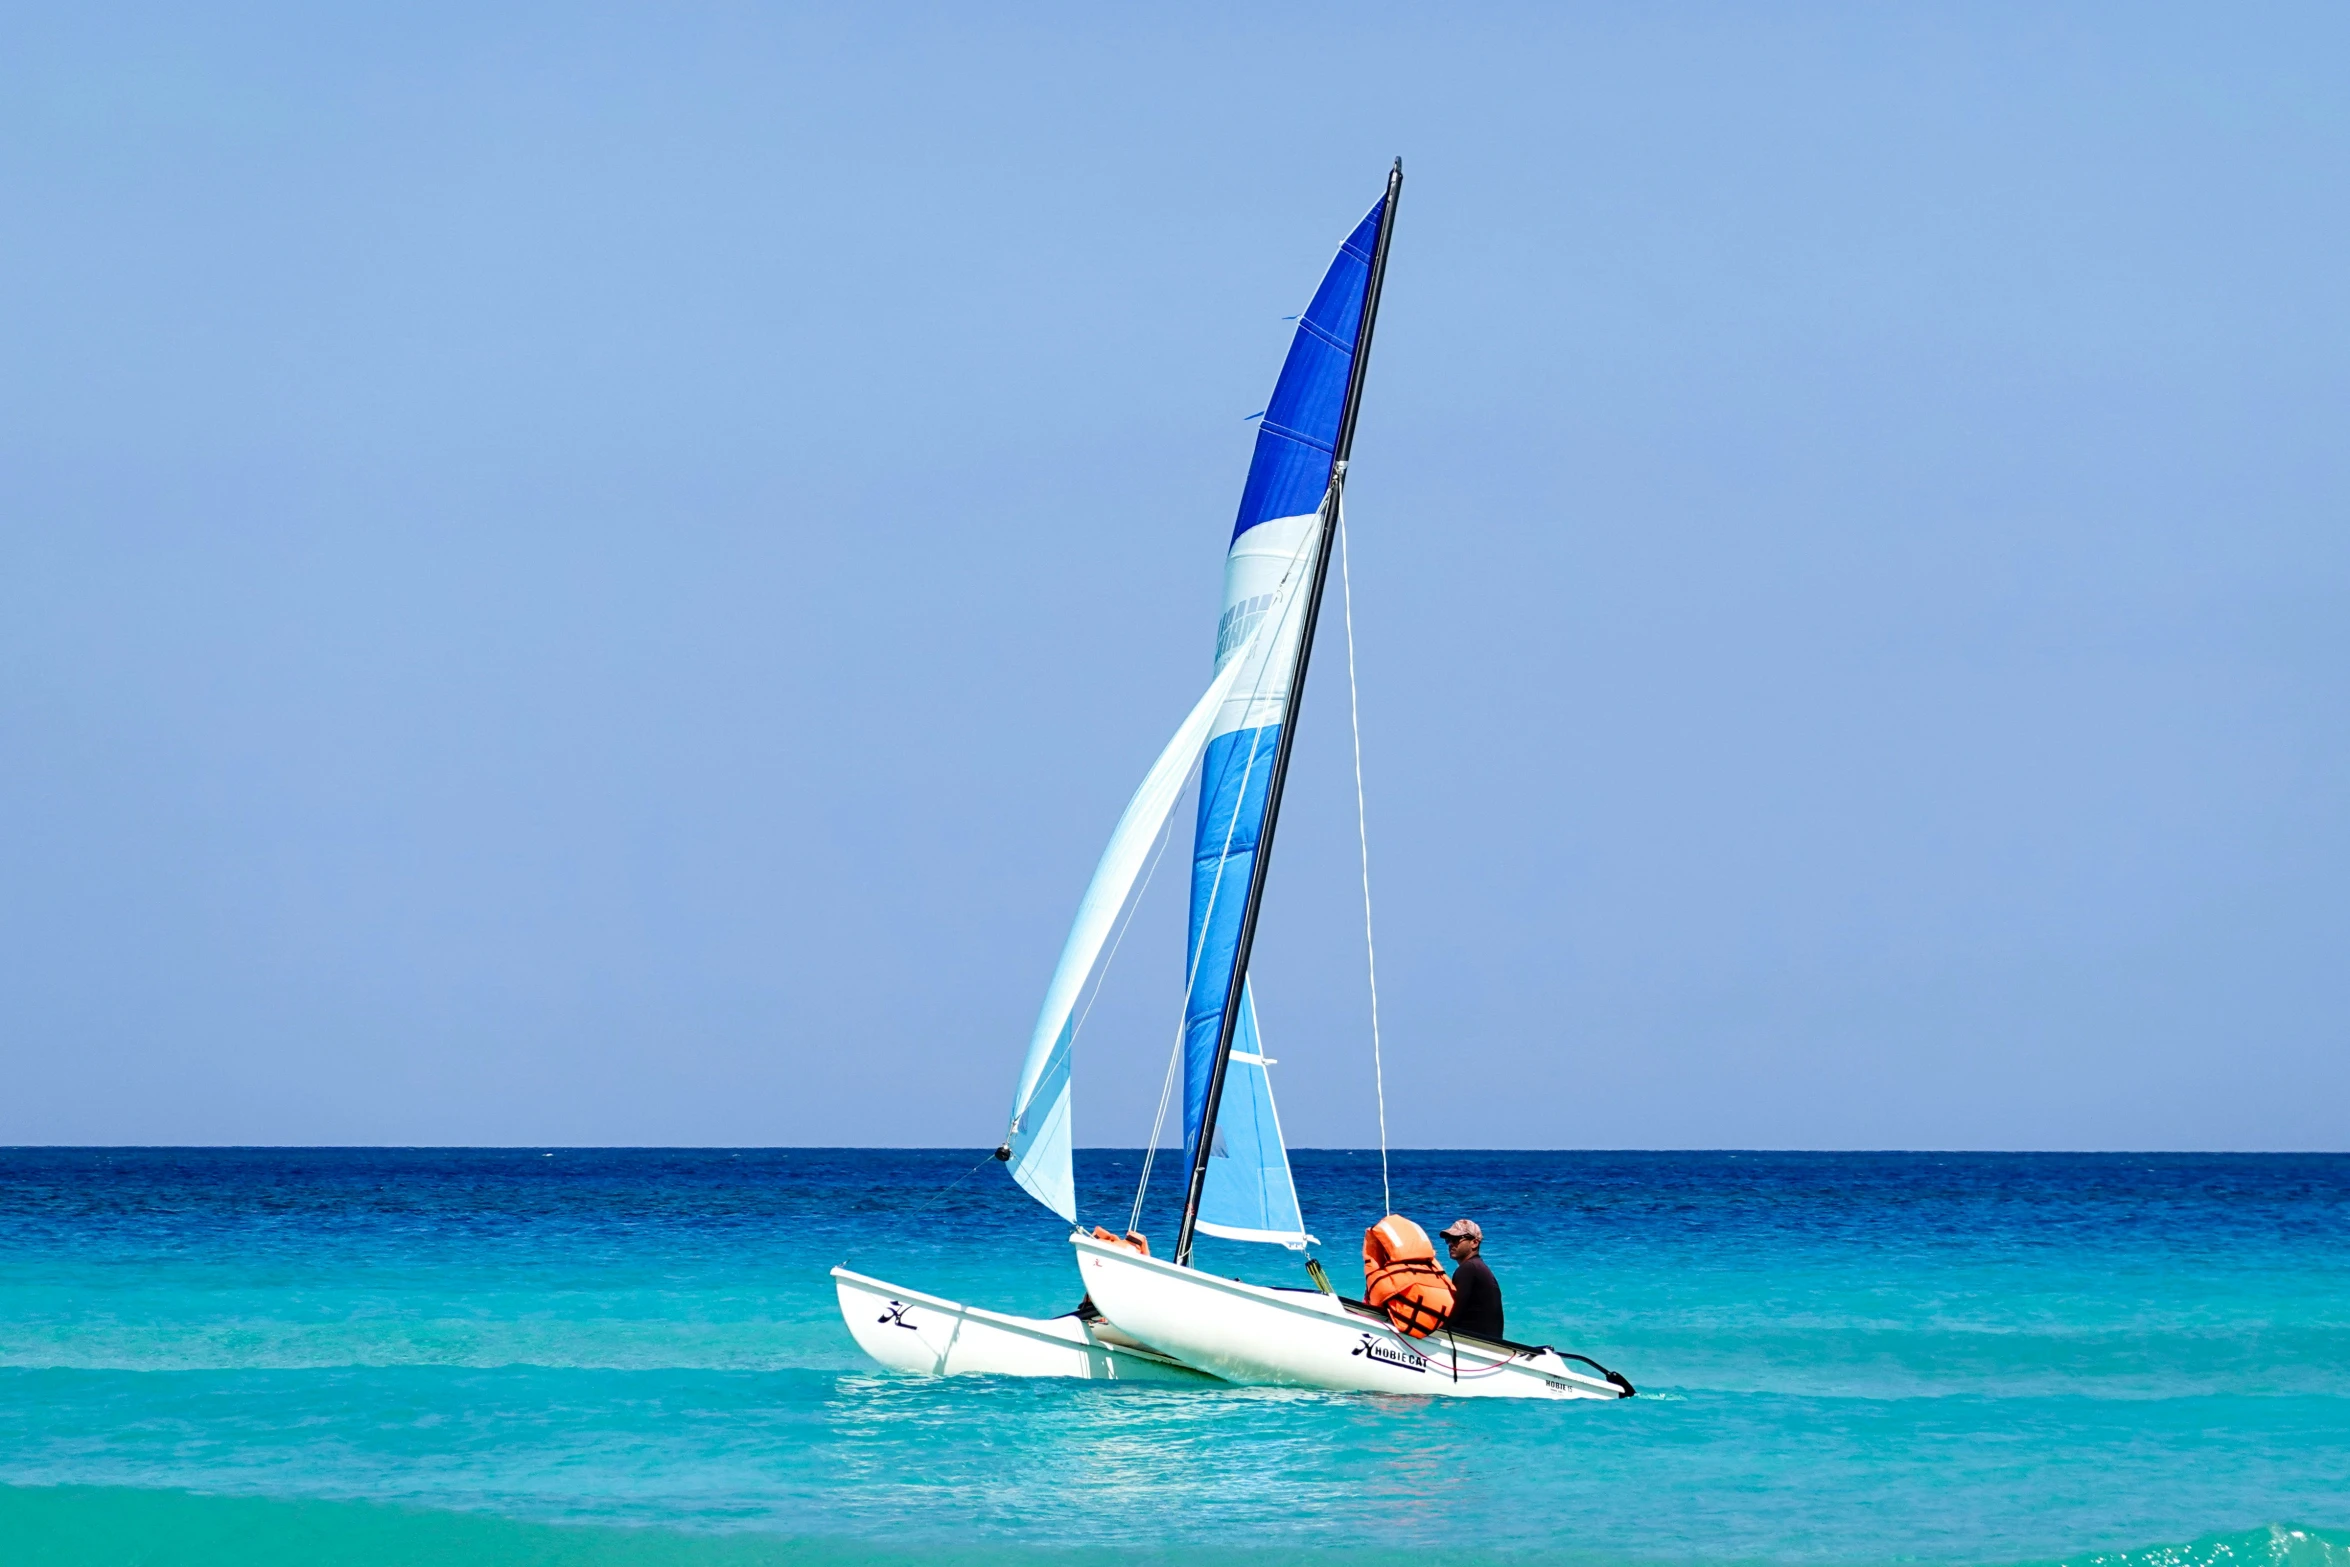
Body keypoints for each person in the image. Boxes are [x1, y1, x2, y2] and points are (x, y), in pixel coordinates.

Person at [1440, 1218, 1504, 1341]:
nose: (1451, 1244)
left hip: (1473, 1344)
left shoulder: (1469, 1269)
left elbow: (1453, 1313)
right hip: (1489, 1343)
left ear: (1474, 1243)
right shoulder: (1478, 1268)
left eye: (1456, 1239)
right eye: (1448, 1240)